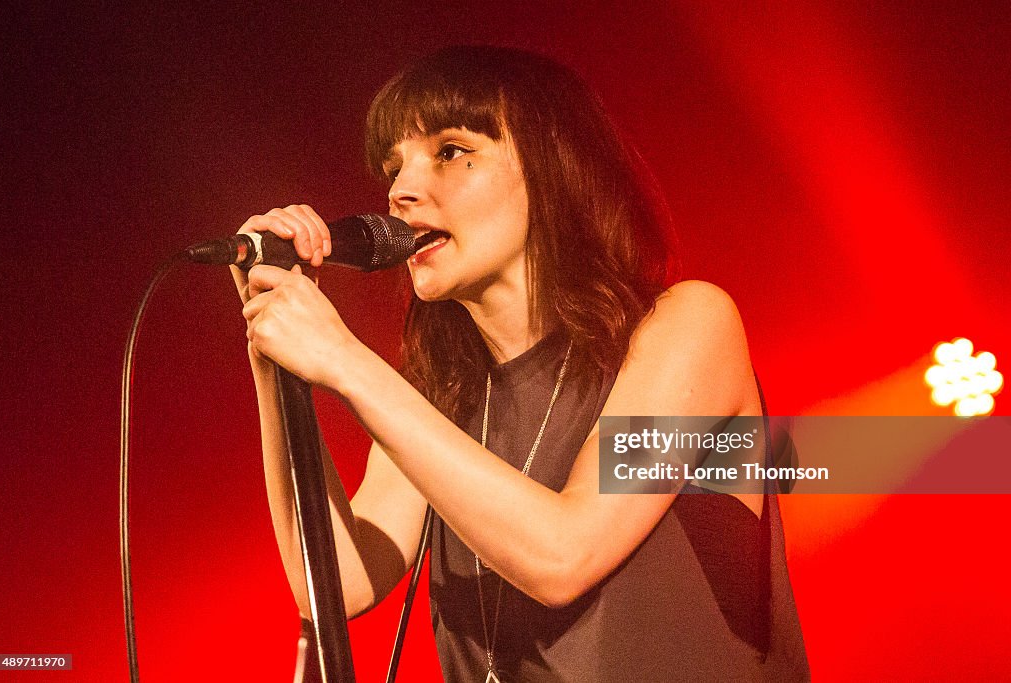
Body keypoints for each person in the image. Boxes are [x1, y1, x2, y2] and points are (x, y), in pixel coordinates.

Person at [232, 46, 808, 681]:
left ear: (551, 167)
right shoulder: (444, 397)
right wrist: (270, 346)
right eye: (394, 167)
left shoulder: (689, 325)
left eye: (450, 152)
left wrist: (345, 360)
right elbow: (335, 584)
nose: (401, 190)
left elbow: (564, 553)